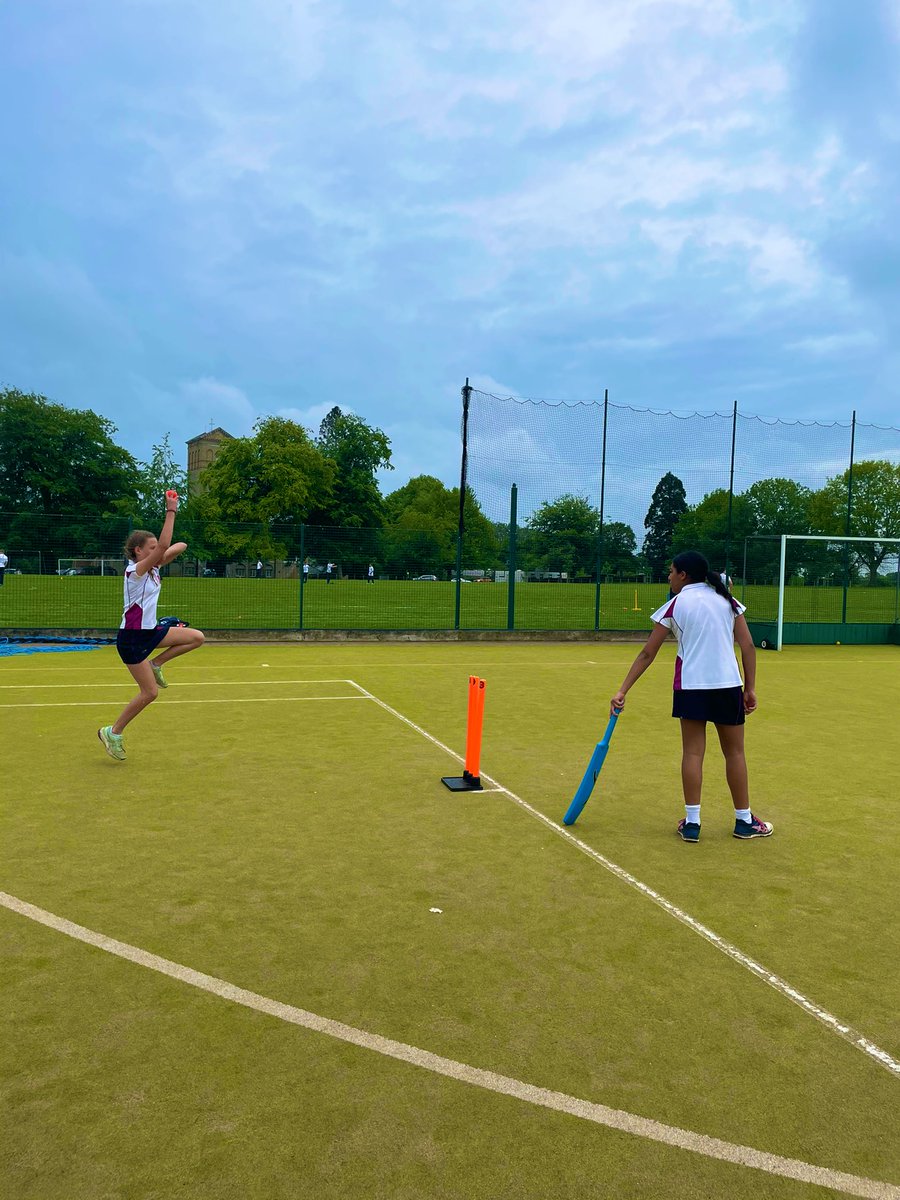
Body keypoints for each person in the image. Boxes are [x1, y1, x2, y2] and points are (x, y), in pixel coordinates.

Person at [610, 549, 772, 843]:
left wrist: (622, 690)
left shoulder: (674, 605)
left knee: (693, 753)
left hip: (691, 687)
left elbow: (648, 652)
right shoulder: (727, 600)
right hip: (727, 686)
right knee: (734, 753)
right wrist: (749, 688)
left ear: (684, 575)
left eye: (672, 571)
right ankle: (744, 821)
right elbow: (747, 646)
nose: (669, 576)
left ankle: (693, 824)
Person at [98, 492, 204, 761]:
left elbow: (180, 545)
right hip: (132, 639)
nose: (157, 549)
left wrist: (162, 553)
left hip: (151, 632)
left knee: (196, 637)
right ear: (138, 551)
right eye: (152, 547)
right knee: (150, 693)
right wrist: (171, 511)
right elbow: (168, 544)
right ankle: (113, 731)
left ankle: (156, 665)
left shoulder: (153, 569)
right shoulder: (134, 572)